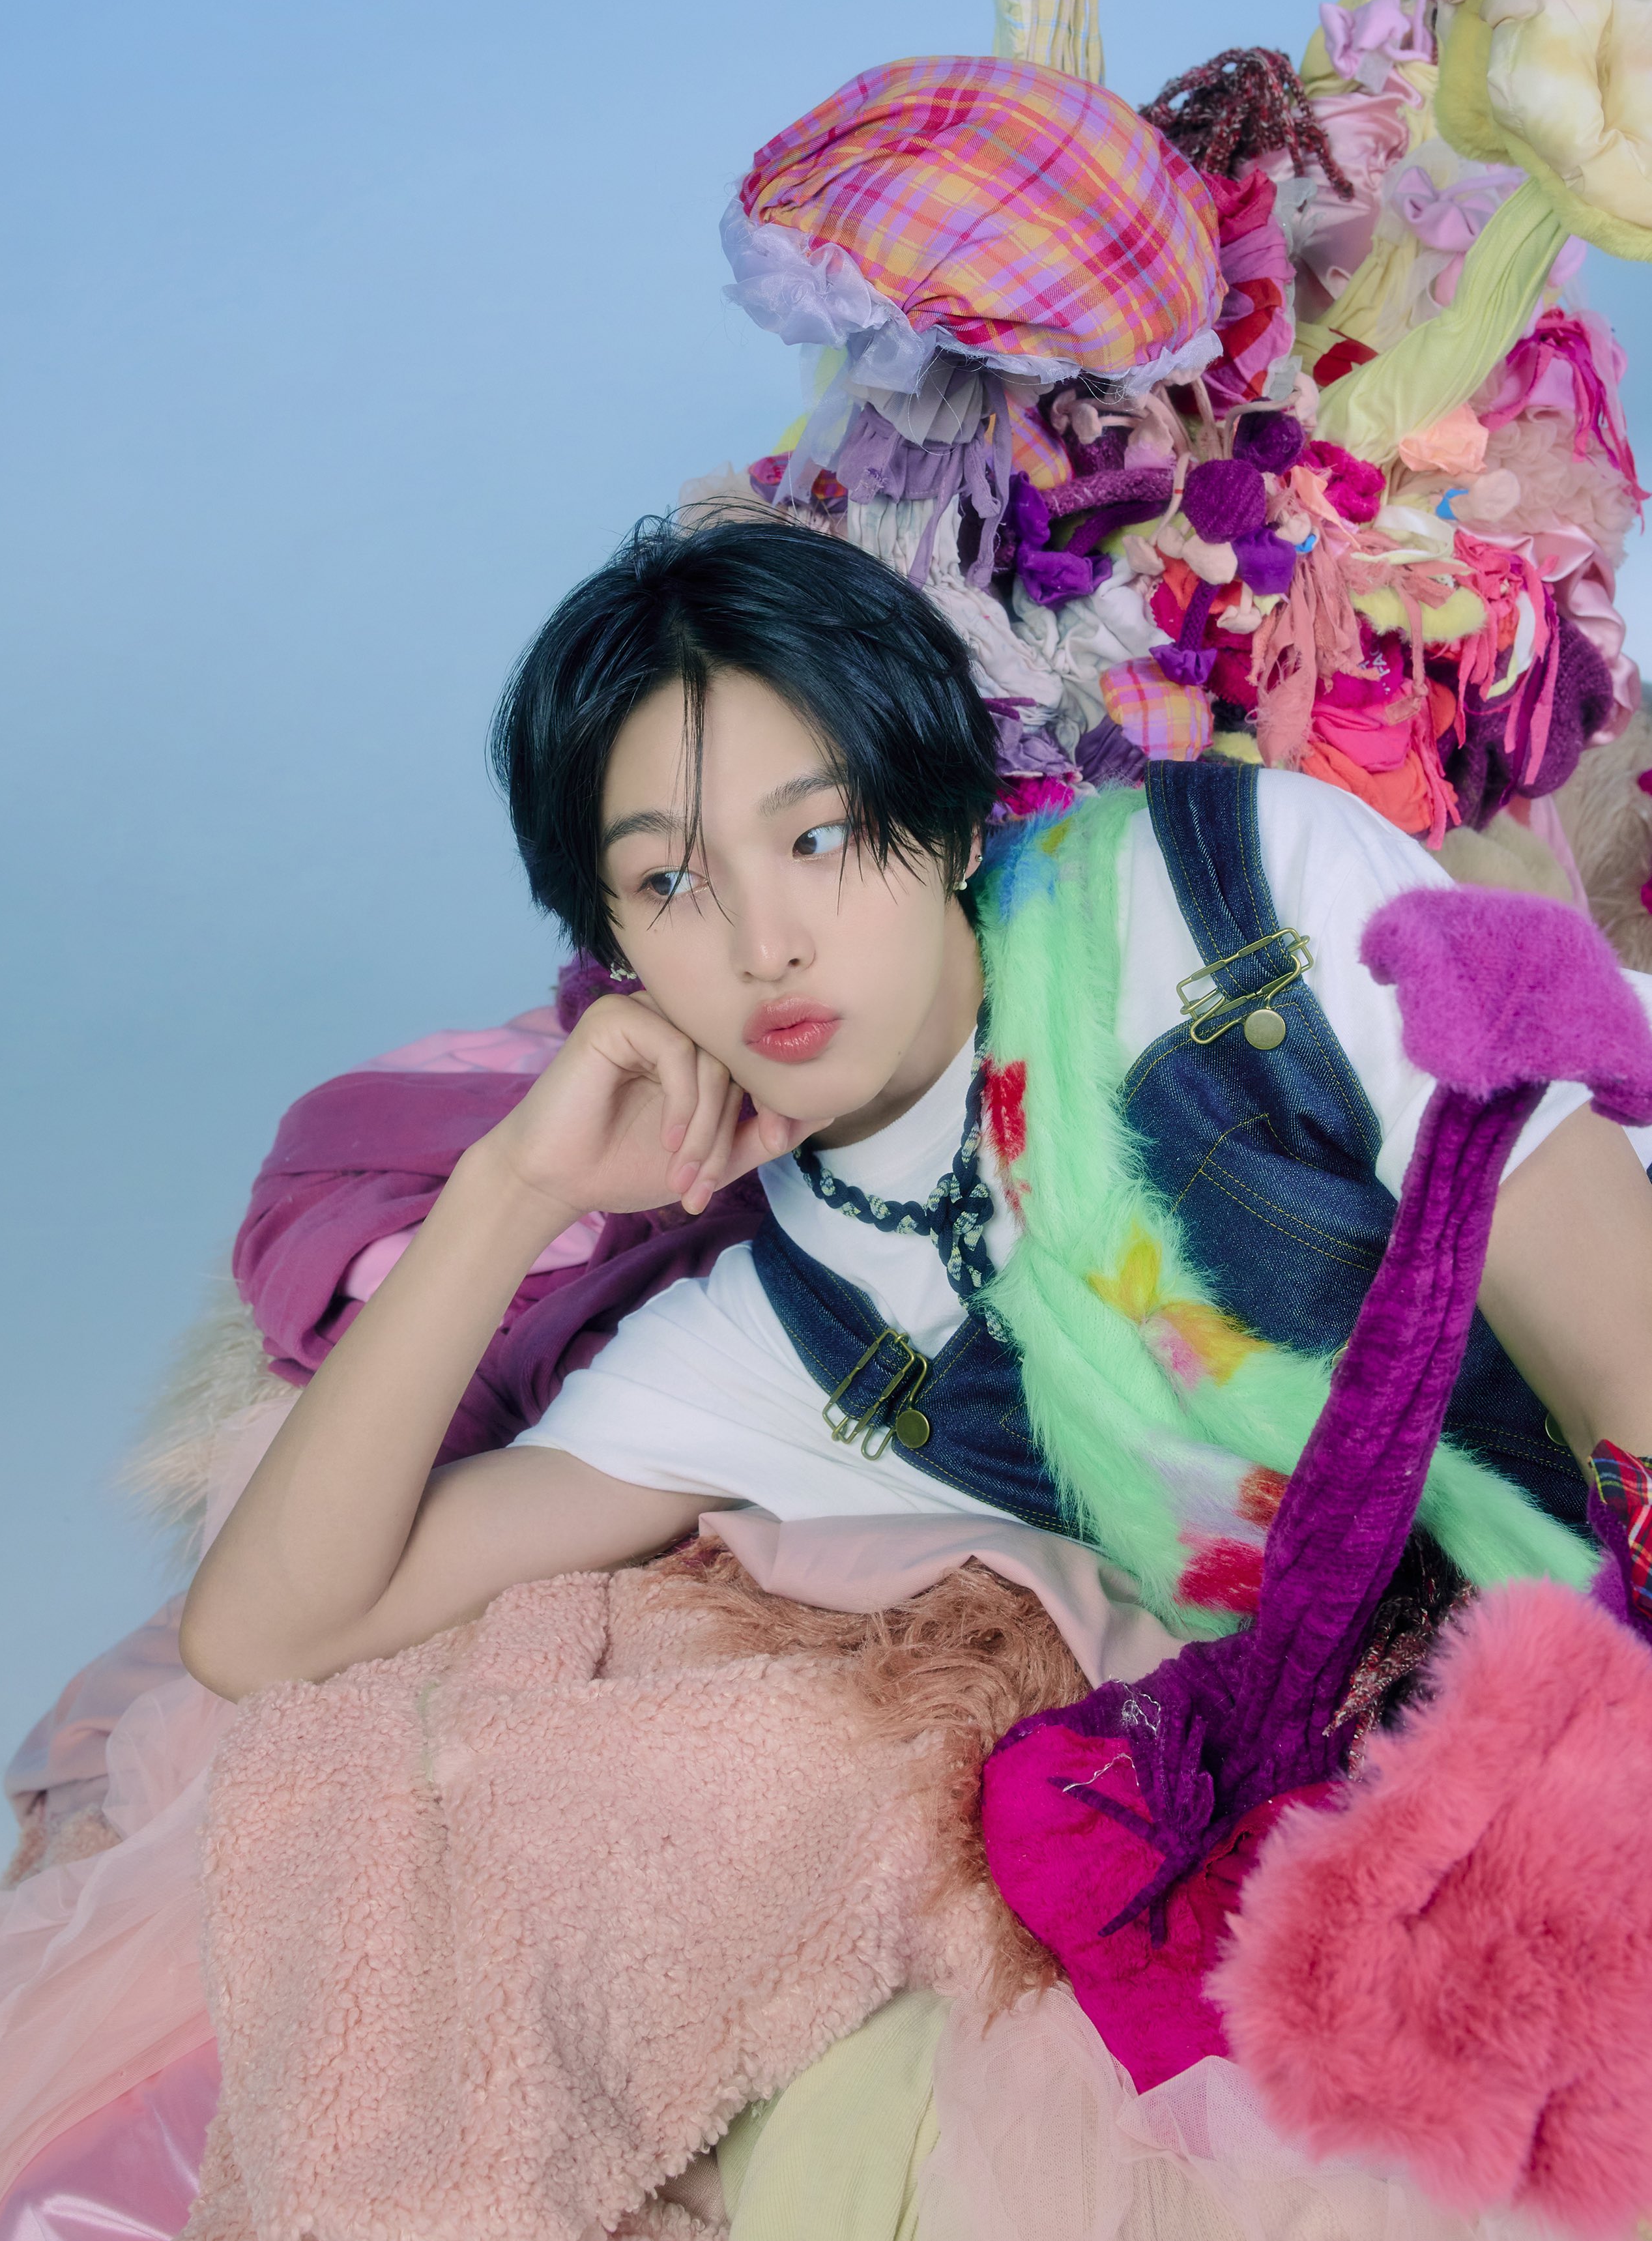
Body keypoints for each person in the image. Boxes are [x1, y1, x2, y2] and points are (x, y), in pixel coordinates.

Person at [179, 513, 1652, 1703]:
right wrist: (514, 1187)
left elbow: (1623, 1353)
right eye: (668, 881)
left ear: (946, 819)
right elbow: (270, 1633)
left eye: (818, 836)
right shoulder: (793, 1332)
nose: (764, 944)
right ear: (613, 944)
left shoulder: (1232, 887)